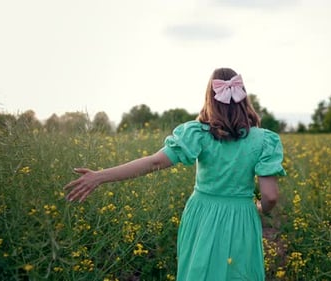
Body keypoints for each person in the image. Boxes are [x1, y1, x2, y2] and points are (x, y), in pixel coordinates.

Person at [64, 67, 286, 280]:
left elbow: (153, 162)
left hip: (202, 215)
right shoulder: (265, 140)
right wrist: (259, 208)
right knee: (239, 273)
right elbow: (270, 196)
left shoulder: (197, 133)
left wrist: (100, 176)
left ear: (210, 97)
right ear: (243, 96)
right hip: (241, 215)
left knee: (200, 272)